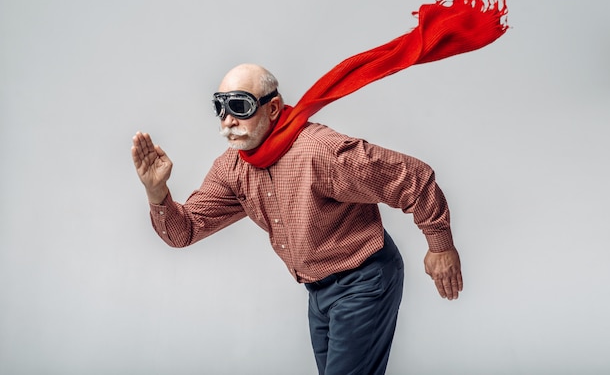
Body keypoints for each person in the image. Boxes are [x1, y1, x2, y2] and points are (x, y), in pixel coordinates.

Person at [131, 63, 463, 375]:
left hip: (364, 280)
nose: (227, 120)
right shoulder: (233, 169)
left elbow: (412, 178)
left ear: (272, 108)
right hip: (317, 290)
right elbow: (184, 231)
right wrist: (157, 191)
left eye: (239, 106)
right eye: (220, 108)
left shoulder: (321, 153)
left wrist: (441, 247)